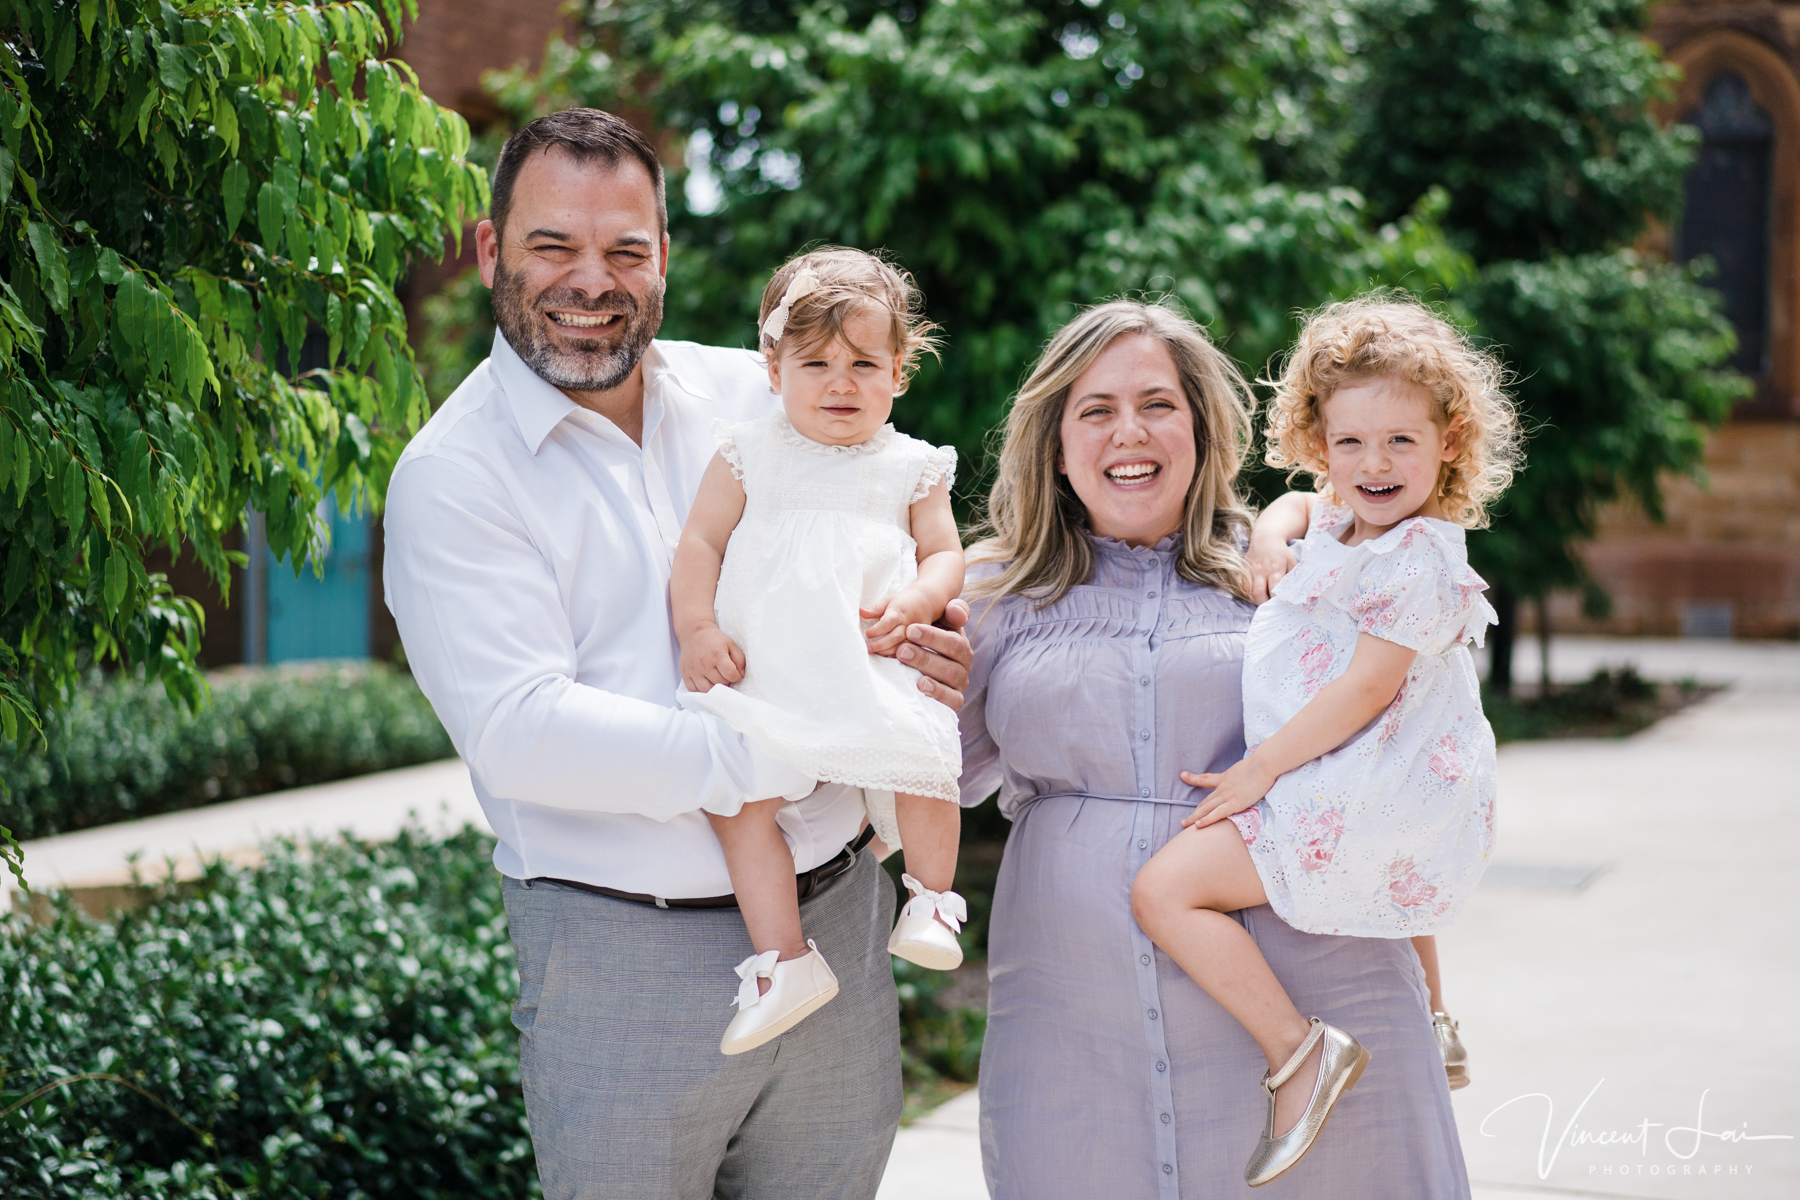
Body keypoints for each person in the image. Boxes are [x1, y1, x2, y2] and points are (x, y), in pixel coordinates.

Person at [381, 108, 973, 1200]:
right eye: (552, 245)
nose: (589, 280)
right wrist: (769, 757)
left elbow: (892, 536)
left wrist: (931, 649)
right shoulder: (452, 476)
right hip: (620, 963)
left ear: (665, 257)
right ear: (488, 252)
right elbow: (520, 732)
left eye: (625, 250)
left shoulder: (763, 395)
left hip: (843, 917)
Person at [959, 299, 1473, 1199]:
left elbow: (1405, 730)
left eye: (1159, 403)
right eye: (1096, 409)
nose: (1131, 431)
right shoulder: (990, 591)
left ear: (1200, 426)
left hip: (1325, 985)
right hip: (1073, 1018)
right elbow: (923, 779)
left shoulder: (1294, 562)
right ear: (1055, 438)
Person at [1129, 296, 1519, 1185]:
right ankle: (1435, 1023)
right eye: (1350, 444)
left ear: (1450, 441)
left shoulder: (1421, 560)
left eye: (1400, 443)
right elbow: (1302, 509)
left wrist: (1259, 769)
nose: (1372, 465)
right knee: (1400, 896)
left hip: (1361, 778)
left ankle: (1298, 1054)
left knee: (1165, 893)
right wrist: (1269, 532)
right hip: (1380, 773)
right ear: (1318, 442)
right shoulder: (1348, 517)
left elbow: (1368, 688)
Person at [671, 248, 969, 1055]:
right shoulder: (747, 452)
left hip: (867, 660)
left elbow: (945, 554)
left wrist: (922, 595)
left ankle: (932, 899)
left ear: (900, 373)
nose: (841, 383)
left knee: (922, 758)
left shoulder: (910, 465)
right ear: (773, 369)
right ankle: (784, 960)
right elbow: (698, 544)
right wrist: (697, 628)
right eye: (816, 363)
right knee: (738, 801)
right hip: (771, 670)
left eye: (865, 363)